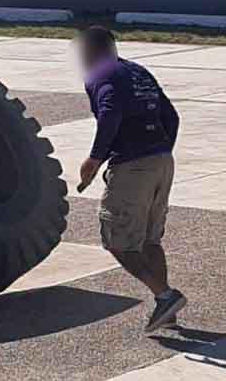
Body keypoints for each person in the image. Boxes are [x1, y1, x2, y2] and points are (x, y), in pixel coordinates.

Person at [76, 25, 187, 332]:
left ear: (91, 50)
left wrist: (95, 159)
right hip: (163, 161)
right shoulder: (138, 71)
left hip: (132, 166)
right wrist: (160, 149)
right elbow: (172, 116)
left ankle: (166, 296)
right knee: (150, 240)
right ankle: (168, 312)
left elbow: (110, 113)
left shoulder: (101, 74)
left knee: (118, 241)